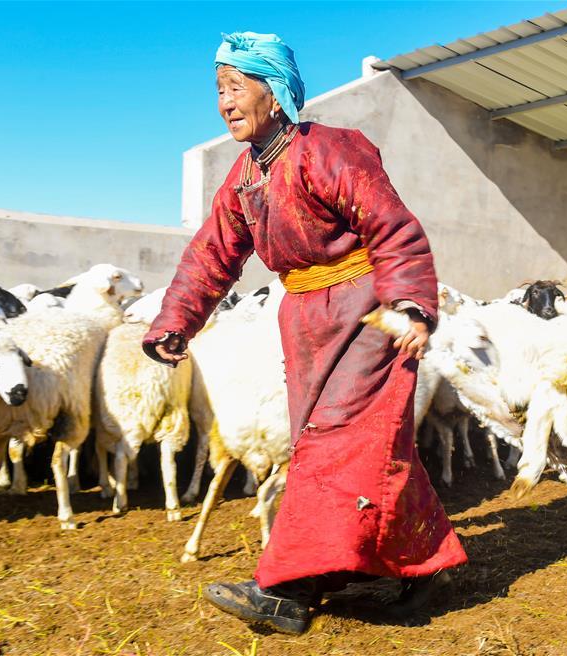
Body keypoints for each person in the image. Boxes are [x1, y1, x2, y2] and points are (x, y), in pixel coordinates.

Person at [142, 31, 467, 634]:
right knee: (359, 448)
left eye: (236, 87)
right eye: (219, 90)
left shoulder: (331, 151)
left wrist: (412, 303)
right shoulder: (245, 176)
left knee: (334, 444)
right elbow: (211, 253)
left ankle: (287, 588)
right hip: (305, 322)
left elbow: (392, 227)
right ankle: (425, 564)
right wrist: (176, 319)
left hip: (368, 313)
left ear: (274, 93)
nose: (225, 102)